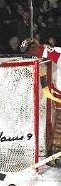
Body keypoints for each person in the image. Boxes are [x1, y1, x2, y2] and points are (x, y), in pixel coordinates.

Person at [20, 38, 61, 166]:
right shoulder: (52, 52)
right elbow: (47, 54)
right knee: (58, 121)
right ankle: (54, 153)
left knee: (59, 122)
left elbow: (46, 53)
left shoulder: (53, 52)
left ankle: (55, 153)